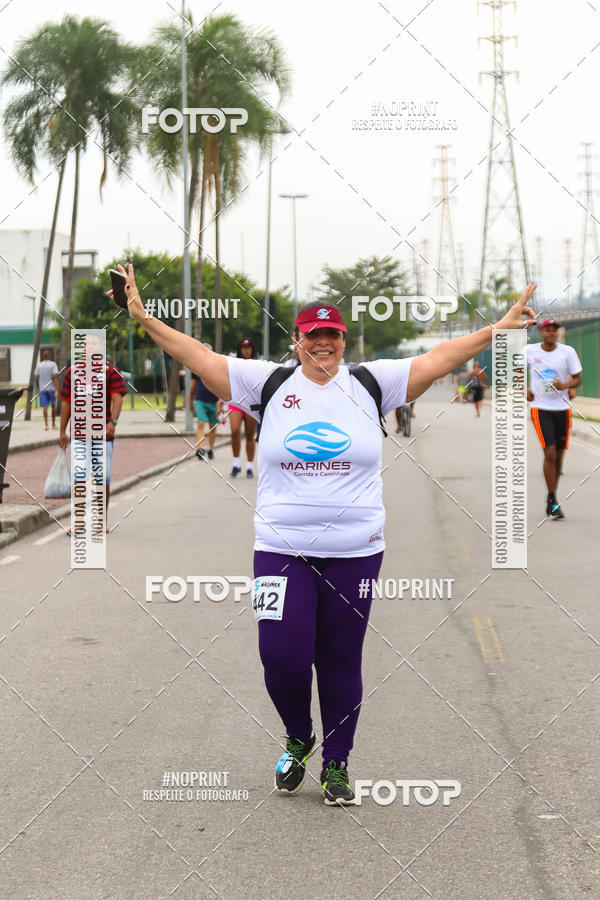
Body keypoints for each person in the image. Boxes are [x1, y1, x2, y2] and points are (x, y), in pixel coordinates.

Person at [111, 264, 537, 805]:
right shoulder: (266, 382)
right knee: (281, 656)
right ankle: (299, 735)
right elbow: (196, 355)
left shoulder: (371, 383)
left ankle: (337, 763)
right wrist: (144, 318)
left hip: (356, 552)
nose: (322, 344)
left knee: (340, 659)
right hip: (280, 549)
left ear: (342, 341)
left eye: (331, 335)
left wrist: (497, 329)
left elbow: (440, 357)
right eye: (313, 335)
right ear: (297, 341)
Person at [59, 338, 127, 532]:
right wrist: (62, 430)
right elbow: (66, 402)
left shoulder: (111, 372)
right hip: (79, 434)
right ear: (82, 348)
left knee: (102, 479)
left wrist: (113, 422)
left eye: (95, 344)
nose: (91, 347)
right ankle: (79, 521)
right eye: (87, 344)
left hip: (102, 435)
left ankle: (101, 521)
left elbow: (117, 398)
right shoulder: (73, 373)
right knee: (79, 477)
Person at [526, 317, 582, 519]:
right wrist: (523, 388)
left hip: (562, 409)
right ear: (541, 332)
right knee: (549, 453)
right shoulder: (530, 351)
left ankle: (552, 497)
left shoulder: (567, 352)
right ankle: (552, 499)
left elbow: (577, 379)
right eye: (547, 329)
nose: (551, 333)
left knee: (558, 457)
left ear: (557, 333)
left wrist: (564, 385)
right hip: (540, 409)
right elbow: (515, 371)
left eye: (554, 330)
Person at [227, 338, 257, 478]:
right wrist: (221, 400)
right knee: (234, 431)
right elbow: (226, 382)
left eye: (249, 347)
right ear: (239, 349)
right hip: (236, 402)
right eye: (244, 348)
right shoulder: (234, 364)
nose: (246, 350)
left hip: (250, 402)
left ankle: (249, 467)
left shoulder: (257, 364)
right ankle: (236, 464)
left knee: (250, 435)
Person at [189, 359, 222, 461]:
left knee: (213, 426)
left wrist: (220, 403)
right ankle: (201, 449)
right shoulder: (196, 369)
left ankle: (210, 448)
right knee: (201, 423)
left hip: (213, 402)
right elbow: (193, 386)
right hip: (200, 401)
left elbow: (221, 386)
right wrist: (190, 401)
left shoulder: (216, 369)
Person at [34, 350, 59, 430]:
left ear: (43, 357)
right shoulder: (53, 364)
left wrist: (39, 389)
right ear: (49, 356)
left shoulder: (39, 365)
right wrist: (56, 390)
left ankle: (46, 425)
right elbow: (54, 377)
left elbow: (37, 378)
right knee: (53, 406)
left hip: (42, 389)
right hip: (51, 388)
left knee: (45, 407)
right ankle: (53, 424)